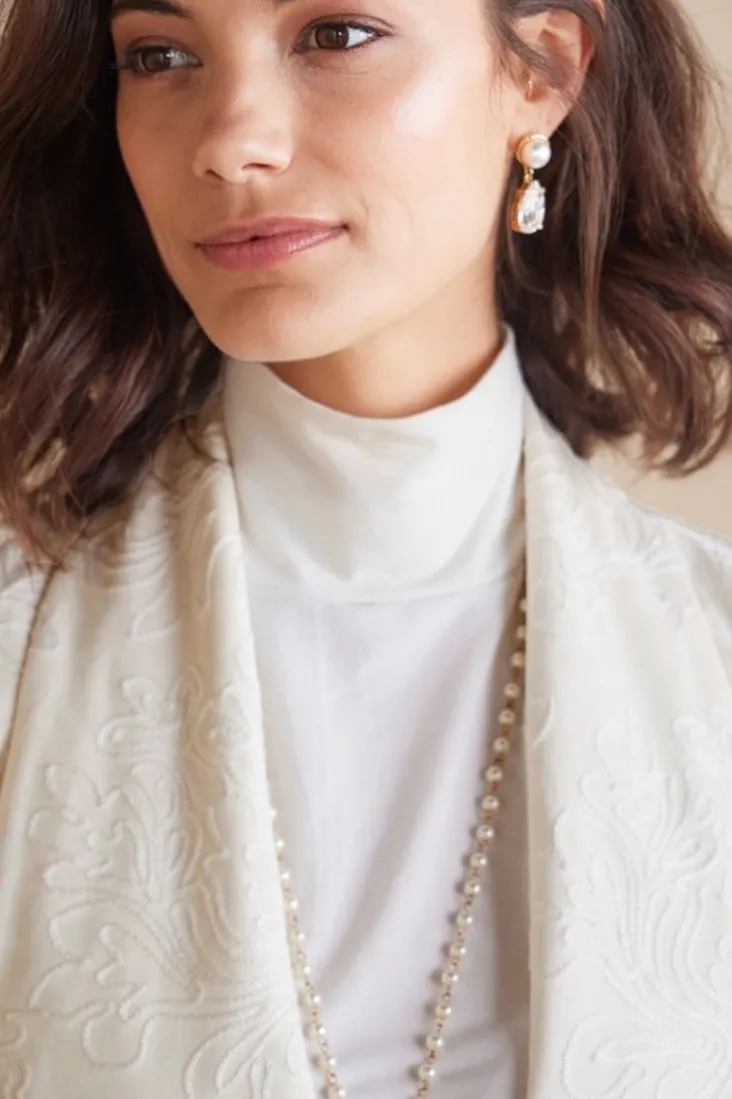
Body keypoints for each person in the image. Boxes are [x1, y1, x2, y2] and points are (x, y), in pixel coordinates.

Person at [0, 0, 731, 1094]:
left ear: (540, 72)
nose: (231, 141)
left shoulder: (714, 652)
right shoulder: (19, 652)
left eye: (335, 36)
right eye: (159, 55)